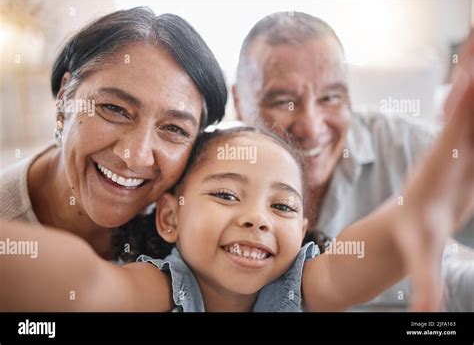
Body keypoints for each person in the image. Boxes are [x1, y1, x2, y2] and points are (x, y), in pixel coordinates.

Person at [1, 81, 473, 311]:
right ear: (169, 218)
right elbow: (84, 284)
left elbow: (368, 252)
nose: (257, 219)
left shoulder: (306, 284)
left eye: (283, 206)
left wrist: (423, 199)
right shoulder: (158, 291)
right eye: (227, 194)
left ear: (303, 227)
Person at [232, 11, 474, 310]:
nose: (311, 126)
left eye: (331, 98)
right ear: (239, 101)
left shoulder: (413, 150)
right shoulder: (209, 176)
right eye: (284, 102)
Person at [0, 7, 227, 262]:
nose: (136, 157)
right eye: (114, 109)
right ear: (65, 99)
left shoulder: (193, 231)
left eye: (174, 129)